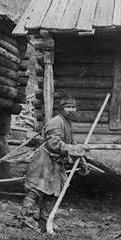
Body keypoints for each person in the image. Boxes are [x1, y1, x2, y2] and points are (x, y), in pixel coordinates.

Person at [20, 95, 90, 232]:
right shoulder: (56, 122)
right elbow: (54, 144)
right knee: (36, 191)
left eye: (73, 107)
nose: (71, 110)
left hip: (56, 162)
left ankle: (44, 222)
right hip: (43, 160)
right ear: (61, 109)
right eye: (68, 107)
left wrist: (82, 161)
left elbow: (72, 143)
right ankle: (25, 221)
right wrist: (76, 149)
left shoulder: (68, 123)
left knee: (51, 192)